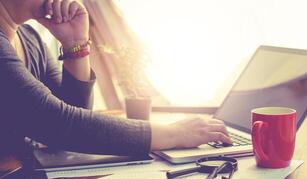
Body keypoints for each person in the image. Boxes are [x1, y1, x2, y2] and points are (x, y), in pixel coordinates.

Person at [0, 0, 232, 156]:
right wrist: (174, 134)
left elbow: (73, 113)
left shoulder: (30, 39)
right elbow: (58, 123)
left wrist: (75, 45)